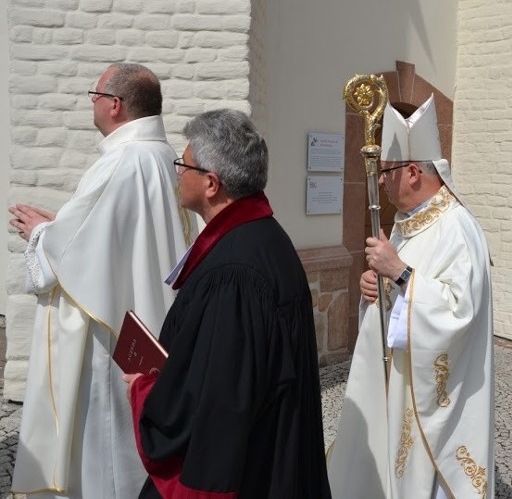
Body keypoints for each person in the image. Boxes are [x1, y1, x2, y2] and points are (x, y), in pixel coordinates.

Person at [8, 63, 194, 499]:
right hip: (150, 318)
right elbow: (113, 237)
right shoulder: (164, 156)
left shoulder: (124, 162)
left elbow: (72, 259)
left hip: (114, 334)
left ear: (114, 105)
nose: (90, 103)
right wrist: (64, 226)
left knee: (107, 450)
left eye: (94, 95)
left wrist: (41, 234)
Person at [124, 109, 331, 498]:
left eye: (182, 164)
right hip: (273, 453)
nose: (177, 172)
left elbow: (217, 398)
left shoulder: (234, 273)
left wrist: (146, 388)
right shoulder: (265, 238)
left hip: (245, 472)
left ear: (211, 183)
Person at [327, 95, 494, 499]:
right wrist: (377, 288)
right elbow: (397, 288)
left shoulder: (457, 227)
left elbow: (460, 312)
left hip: (431, 397)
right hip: (395, 378)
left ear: (415, 171)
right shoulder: (407, 223)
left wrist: (399, 273)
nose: (381, 182)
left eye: (387, 173)